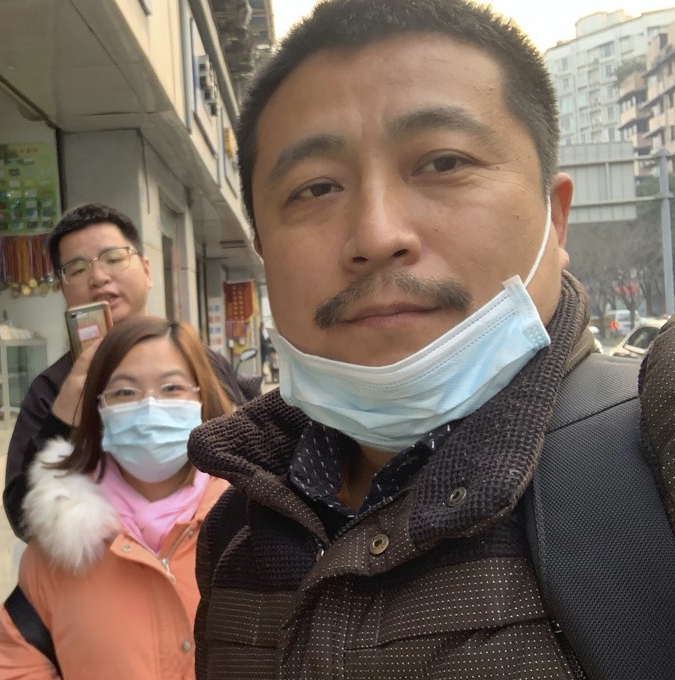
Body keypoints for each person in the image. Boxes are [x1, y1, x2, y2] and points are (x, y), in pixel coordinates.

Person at [188, 1, 675, 678]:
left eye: (444, 162)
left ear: (555, 219)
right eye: (316, 186)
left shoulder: (654, 448)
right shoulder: (237, 532)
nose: (377, 235)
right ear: (263, 250)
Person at [0, 317, 231, 679]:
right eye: (124, 392)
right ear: (98, 410)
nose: (149, 408)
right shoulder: (60, 545)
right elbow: (8, 665)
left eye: (172, 388)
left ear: (202, 398)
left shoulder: (252, 524)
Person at [3, 203, 245, 539]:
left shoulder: (202, 364)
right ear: (62, 288)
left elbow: (247, 471)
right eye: (76, 268)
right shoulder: (53, 387)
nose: (98, 277)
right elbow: (23, 518)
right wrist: (59, 422)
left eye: (114, 258)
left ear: (147, 270)